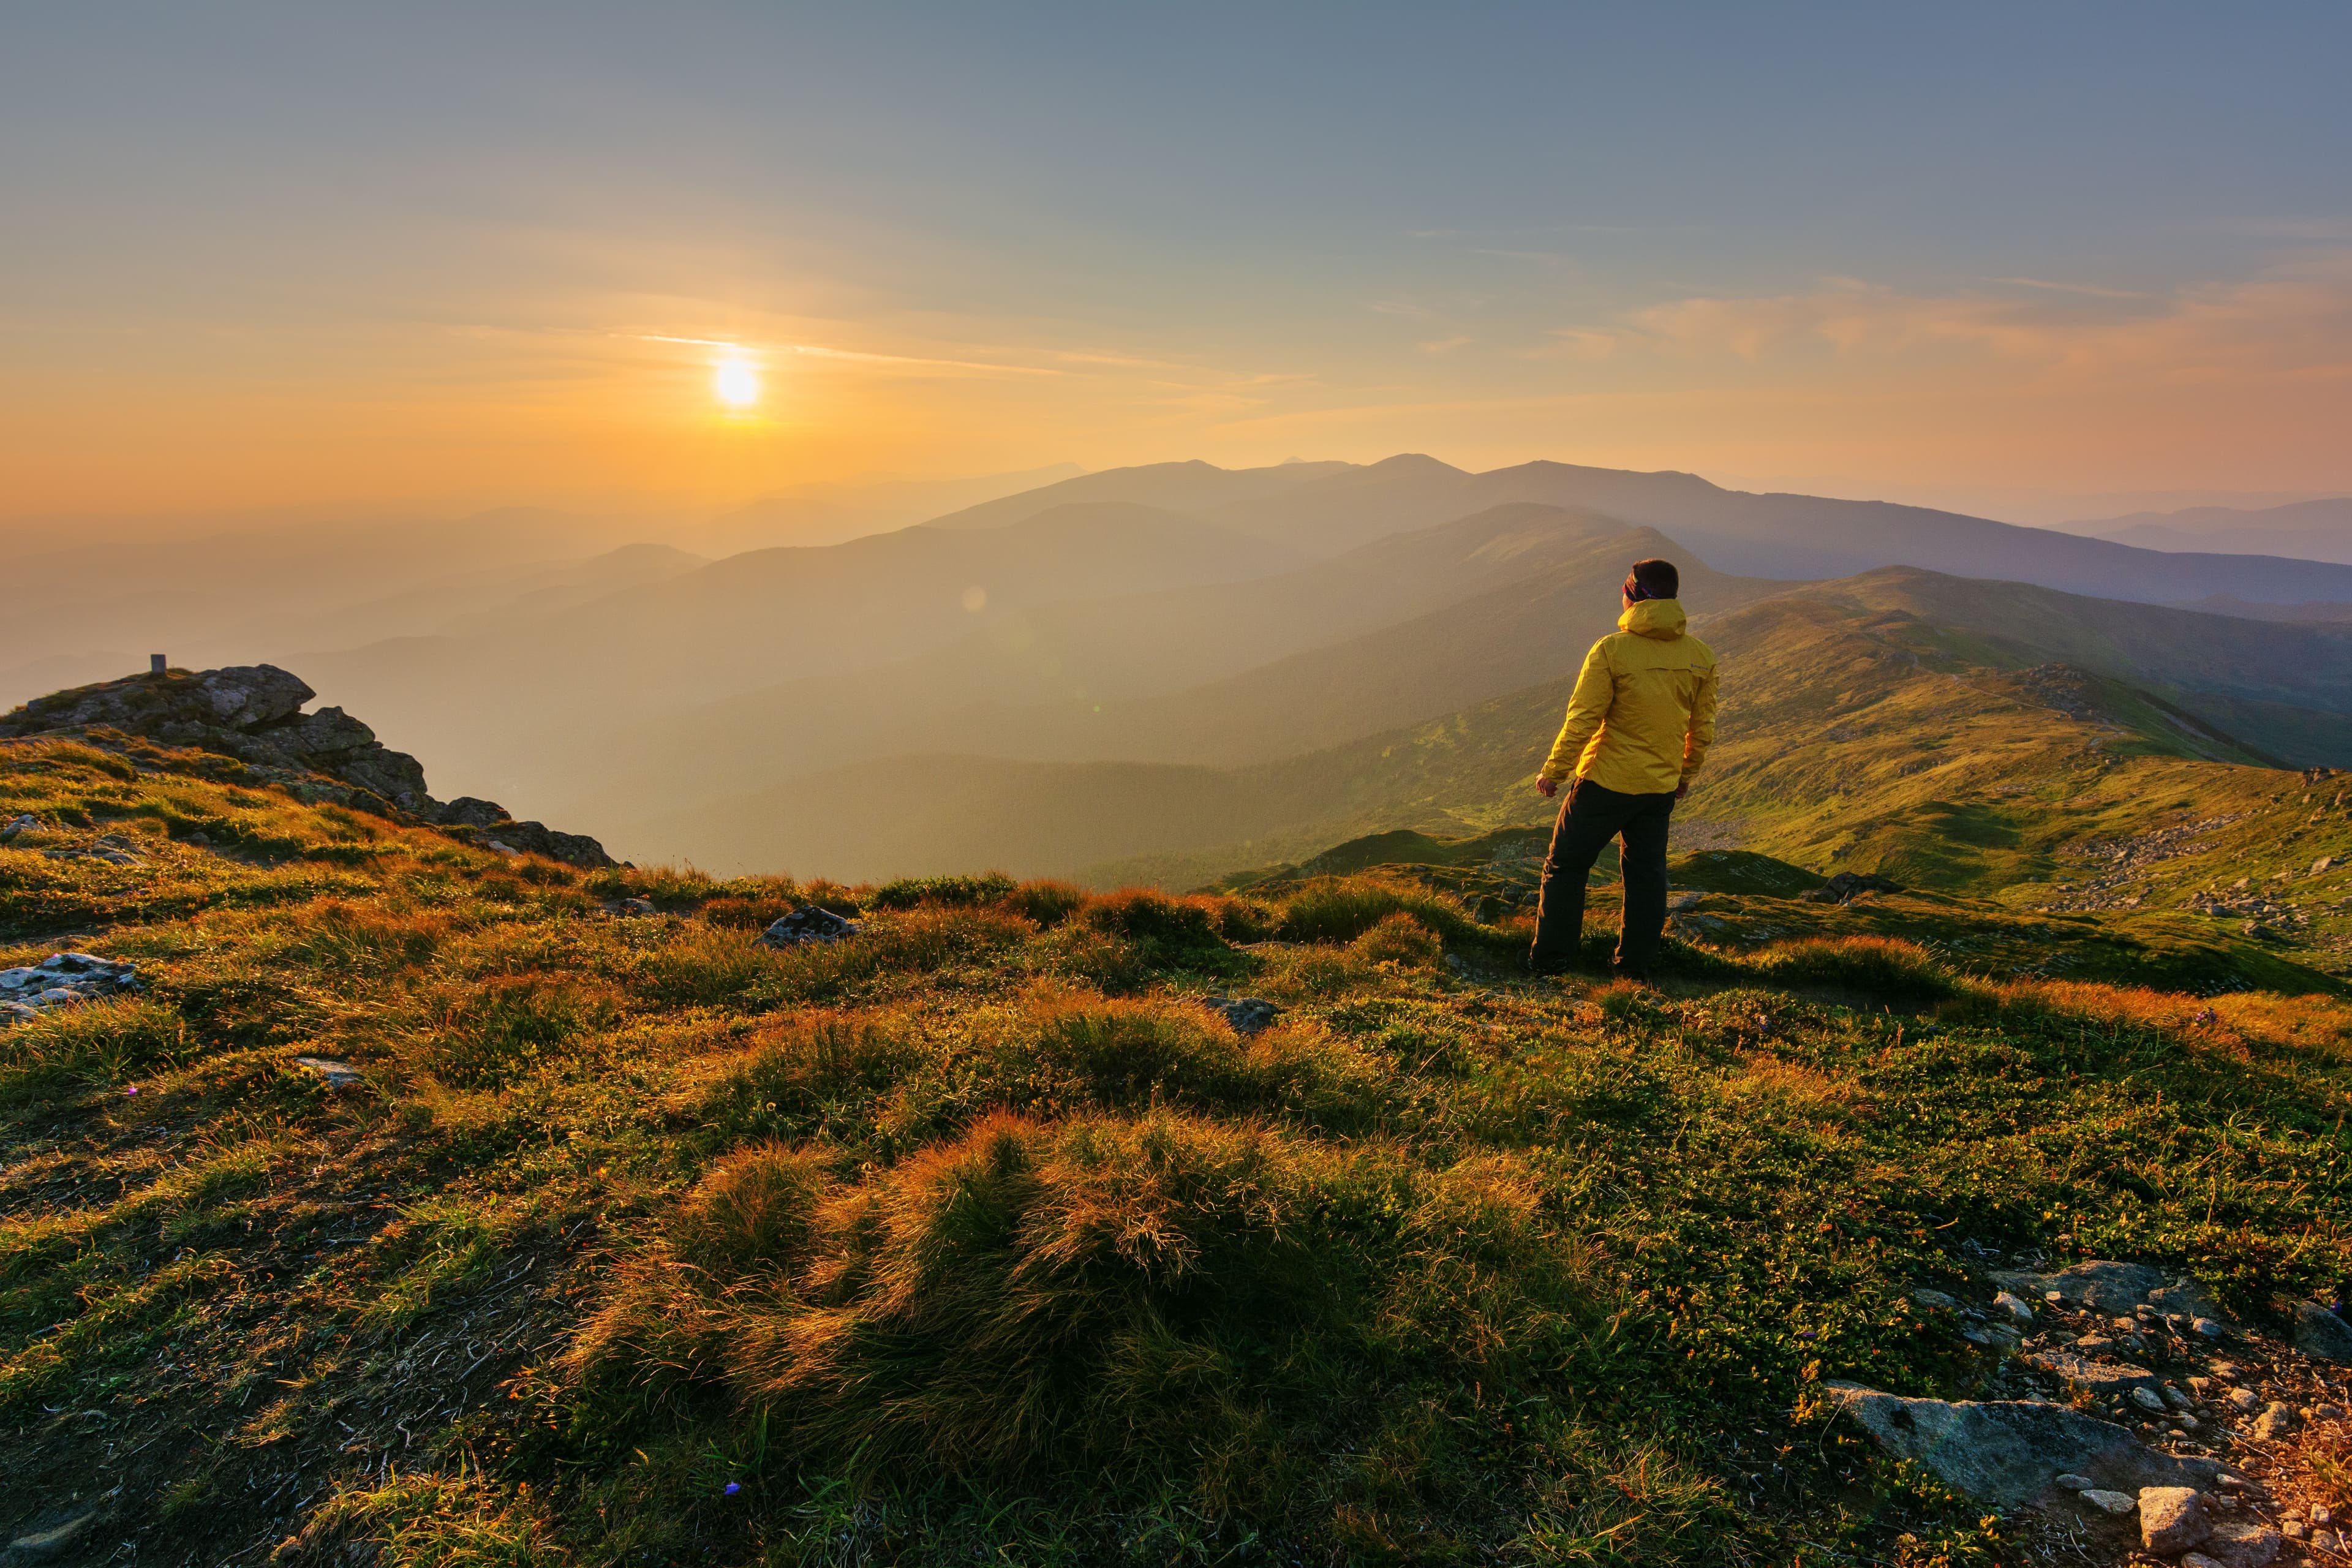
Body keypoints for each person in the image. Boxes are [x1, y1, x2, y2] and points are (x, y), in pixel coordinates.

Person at [1526, 557, 1717, 980]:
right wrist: (1685, 776)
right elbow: (1701, 728)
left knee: (1566, 867)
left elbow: (1583, 719)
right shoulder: (1701, 656)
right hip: (1658, 788)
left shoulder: (1612, 650)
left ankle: (1551, 964)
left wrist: (1554, 771)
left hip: (1605, 782)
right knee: (1646, 878)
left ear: (1633, 595)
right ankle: (1634, 970)